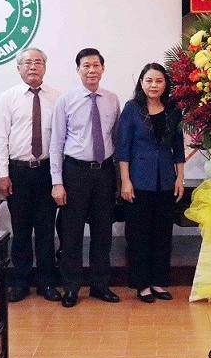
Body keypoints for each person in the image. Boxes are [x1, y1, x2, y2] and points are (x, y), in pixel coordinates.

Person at [50, 48, 121, 307]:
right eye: (86, 66)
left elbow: (115, 138)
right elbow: (56, 144)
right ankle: (71, 287)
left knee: (103, 231)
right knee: (71, 233)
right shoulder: (66, 101)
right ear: (78, 70)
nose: (91, 70)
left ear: (103, 68)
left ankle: (100, 285)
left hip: (104, 172)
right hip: (75, 172)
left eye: (95, 65)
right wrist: (57, 182)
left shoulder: (113, 99)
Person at [0, 48, 62, 303]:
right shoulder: (8, 98)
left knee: (46, 229)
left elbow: (61, 139)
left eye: (38, 62)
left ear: (44, 67)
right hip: (18, 172)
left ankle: (46, 282)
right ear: (18, 68)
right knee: (20, 230)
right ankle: (20, 282)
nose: (33, 67)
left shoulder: (57, 97)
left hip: (46, 170)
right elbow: (1, 138)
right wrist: (3, 174)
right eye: (27, 63)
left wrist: (59, 178)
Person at [116, 63, 185, 303]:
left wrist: (180, 177)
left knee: (162, 233)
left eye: (158, 81)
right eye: (149, 81)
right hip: (139, 181)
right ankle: (141, 284)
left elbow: (178, 146)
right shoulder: (132, 109)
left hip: (165, 180)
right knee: (138, 234)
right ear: (141, 83)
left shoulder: (174, 109)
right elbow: (123, 148)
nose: (153, 85)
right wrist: (125, 181)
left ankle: (158, 281)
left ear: (165, 84)